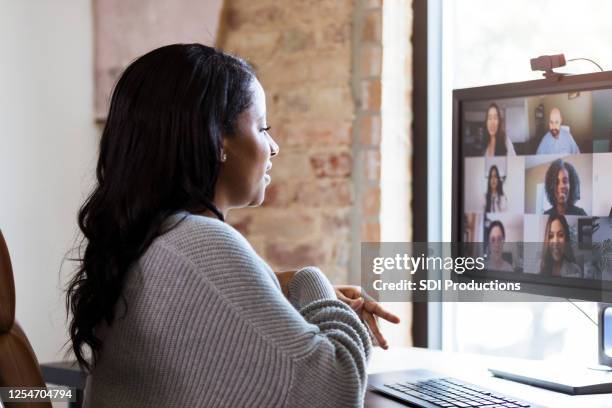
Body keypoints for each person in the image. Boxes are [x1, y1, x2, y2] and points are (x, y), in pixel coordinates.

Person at [66, 44, 399, 408]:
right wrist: (310, 280)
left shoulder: (146, 239)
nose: (273, 147)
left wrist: (276, 286)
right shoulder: (201, 241)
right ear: (218, 138)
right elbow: (334, 390)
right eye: (262, 127)